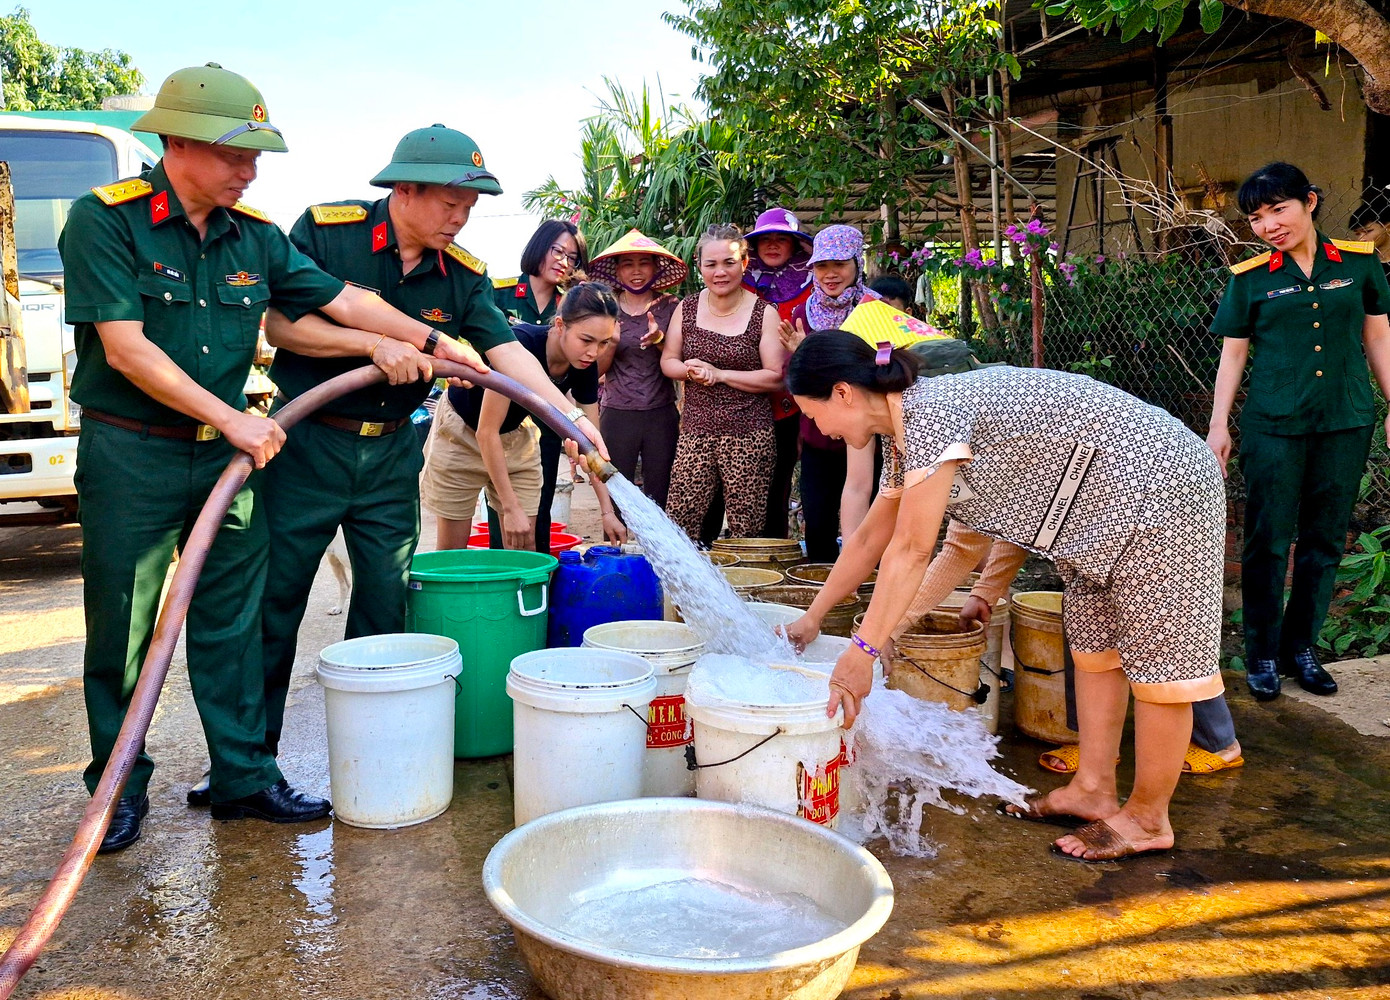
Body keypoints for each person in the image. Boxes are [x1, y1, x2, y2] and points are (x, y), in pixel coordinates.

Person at [57, 64, 462, 851]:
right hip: (133, 455)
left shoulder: (256, 235)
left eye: (255, 159)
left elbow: (344, 300)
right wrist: (232, 418)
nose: (248, 172)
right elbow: (127, 349)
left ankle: (243, 777)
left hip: (225, 462)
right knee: (125, 630)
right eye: (234, 155)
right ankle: (117, 787)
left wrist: (425, 340)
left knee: (234, 623)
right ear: (177, 142)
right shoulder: (106, 220)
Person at [784, 332, 1227, 862]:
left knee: (1162, 666)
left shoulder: (931, 413)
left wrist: (864, 650)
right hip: (1094, 517)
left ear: (842, 393)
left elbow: (912, 549)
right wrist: (813, 618)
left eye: (813, 414)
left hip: (1163, 487)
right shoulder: (906, 437)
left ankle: (1148, 819)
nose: (820, 429)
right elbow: (870, 539)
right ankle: (1093, 789)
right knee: (1094, 649)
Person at [251, 126, 610, 777]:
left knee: (385, 604)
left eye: (469, 206)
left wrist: (573, 420)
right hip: (308, 444)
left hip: (390, 455)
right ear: (404, 190)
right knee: (276, 601)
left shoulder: (464, 275)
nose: (460, 217)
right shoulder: (330, 234)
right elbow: (281, 325)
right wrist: (371, 345)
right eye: (450, 202)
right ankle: (251, 763)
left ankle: (373, 756)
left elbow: (507, 356)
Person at [1208, 162, 1390, 700]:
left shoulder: (1360, 264)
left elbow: (1378, 337)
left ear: (1309, 202)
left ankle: (1302, 648)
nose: (1268, 226)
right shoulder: (1250, 279)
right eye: (1256, 218)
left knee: (1324, 540)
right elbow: (1233, 355)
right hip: (1273, 426)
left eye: (1278, 210)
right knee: (1267, 540)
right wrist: (1219, 425)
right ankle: (1263, 652)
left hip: (1345, 420)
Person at [898, 520, 1243, 775]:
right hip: (1092, 528)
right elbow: (1017, 522)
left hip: (1151, 504)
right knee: (1083, 622)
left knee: (1167, 628)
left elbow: (962, 546)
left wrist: (887, 631)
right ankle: (1098, 751)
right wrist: (986, 591)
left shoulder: (984, 450)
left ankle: (1219, 741)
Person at [422, 281, 628, 553]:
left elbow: (591, 444)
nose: (594, 352)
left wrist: (607, 512)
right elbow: (487, 432)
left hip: (516, 432)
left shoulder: (585, 365)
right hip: (462, 431)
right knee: (453, 551)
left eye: (604, 343)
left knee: (524, 545)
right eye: (586, 340)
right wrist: (510, 508)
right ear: (560, 325)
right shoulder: (520, 346)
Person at [661, 224, 786, 541]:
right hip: (695, 432)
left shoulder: (764, 313)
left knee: (748, 528)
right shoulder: (687, 307)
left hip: (749, 435)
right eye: (711, 264)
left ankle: (744, 576)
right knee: (680, 521)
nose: (720, 272)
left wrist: (720, 374)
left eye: (729, 263)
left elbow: (775, 376)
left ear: (744, 263)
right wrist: (690, 371)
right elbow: (668, 361)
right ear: (699, 265)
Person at [779, 225, 883, 562]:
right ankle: (824, 584)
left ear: (857, 263)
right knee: (818, 521)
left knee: (872, 517)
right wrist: (800, 355)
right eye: (822, 266)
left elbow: (878, 372)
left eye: (839, 264)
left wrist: (809, 352)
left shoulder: (875, 310)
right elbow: (793, 377)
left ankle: (871, 582)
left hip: (868, 435)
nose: (830, 274)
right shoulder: (802, 313)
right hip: (818, 436)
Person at [587, 229, 687, 506]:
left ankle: (659, 537)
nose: (636, 271)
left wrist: (660, 341)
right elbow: (594, 371)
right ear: (617, 270)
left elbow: (679, 359)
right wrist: (612, 342)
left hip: (661, 413)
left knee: (662, 492)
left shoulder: (671, 306)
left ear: (655, 268)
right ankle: (616, 536)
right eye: (627, 264)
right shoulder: (605, 308)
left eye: (644, 263)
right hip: (617, 413)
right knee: (616, 490)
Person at [743, 207, 815, 537]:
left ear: (795, 245)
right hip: (741, 397)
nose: (772, 245)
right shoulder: (739, 284)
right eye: (765, 239)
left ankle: (774, 547)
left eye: (781, 239)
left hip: (792, 401)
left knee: (779, 478)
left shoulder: (814, 289)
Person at [492, 219, 586, 325]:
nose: (564, 263)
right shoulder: (498, 294)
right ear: (540, 247)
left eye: (572, 258)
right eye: (558, 251)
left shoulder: (569, 307)